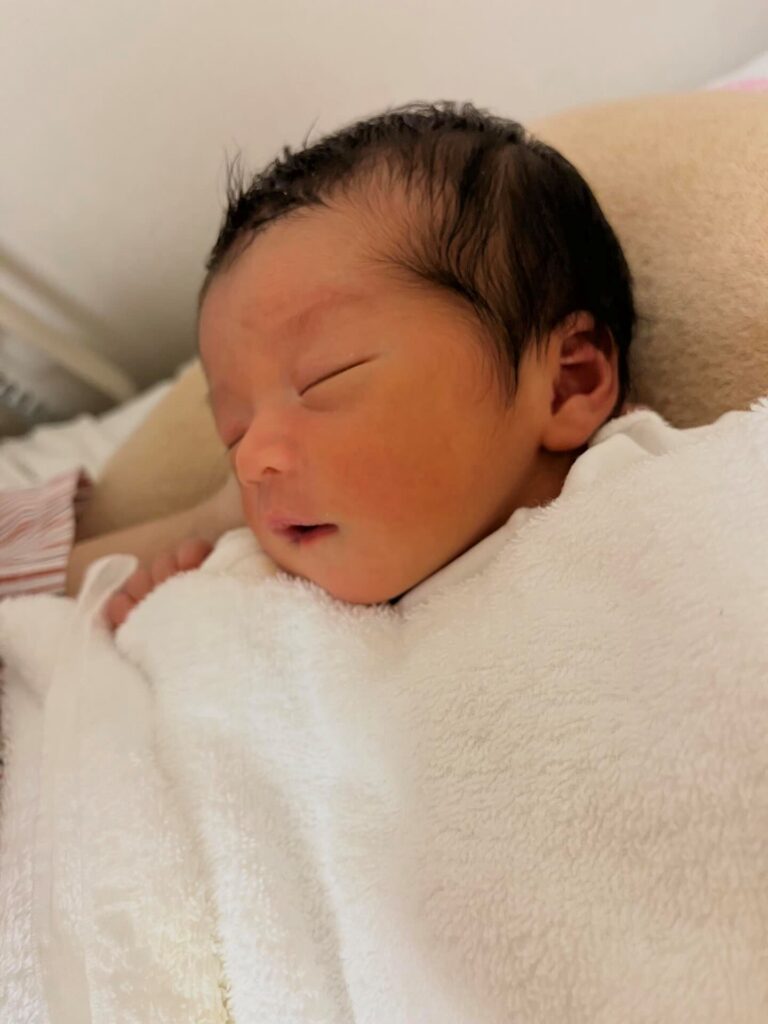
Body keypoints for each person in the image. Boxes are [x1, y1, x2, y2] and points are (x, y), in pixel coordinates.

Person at [3, 100, 650, 628]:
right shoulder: (249, 586)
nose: (250, 463)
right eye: (233, 431)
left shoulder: (658, 521)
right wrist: (161, 636)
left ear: (567, 383)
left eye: (324, 379)